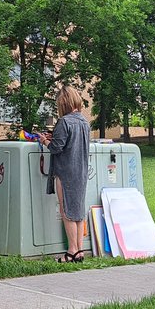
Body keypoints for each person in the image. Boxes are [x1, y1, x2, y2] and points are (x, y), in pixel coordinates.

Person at [42, 84, 91, 262]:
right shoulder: (84, 122)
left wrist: (45, 141)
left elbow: (57, 147)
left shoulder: (64, 122)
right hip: (81, 171)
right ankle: (79, 250)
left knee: (66, 211)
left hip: (65, 172)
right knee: (77, 211)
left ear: (63, 103)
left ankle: (71, 251)